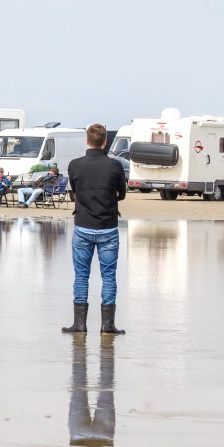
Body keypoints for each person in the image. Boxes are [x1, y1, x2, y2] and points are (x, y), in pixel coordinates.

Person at [63, 124, 127, 335]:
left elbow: (75, 190)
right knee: (108, 276)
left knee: (81, 276)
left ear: (87, 141)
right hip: (108, 228)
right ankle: (107, 326)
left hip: (83, 226)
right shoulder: (115, 165)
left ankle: (79, 325)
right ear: (105, 142)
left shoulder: (74, 165)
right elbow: (122, 194)